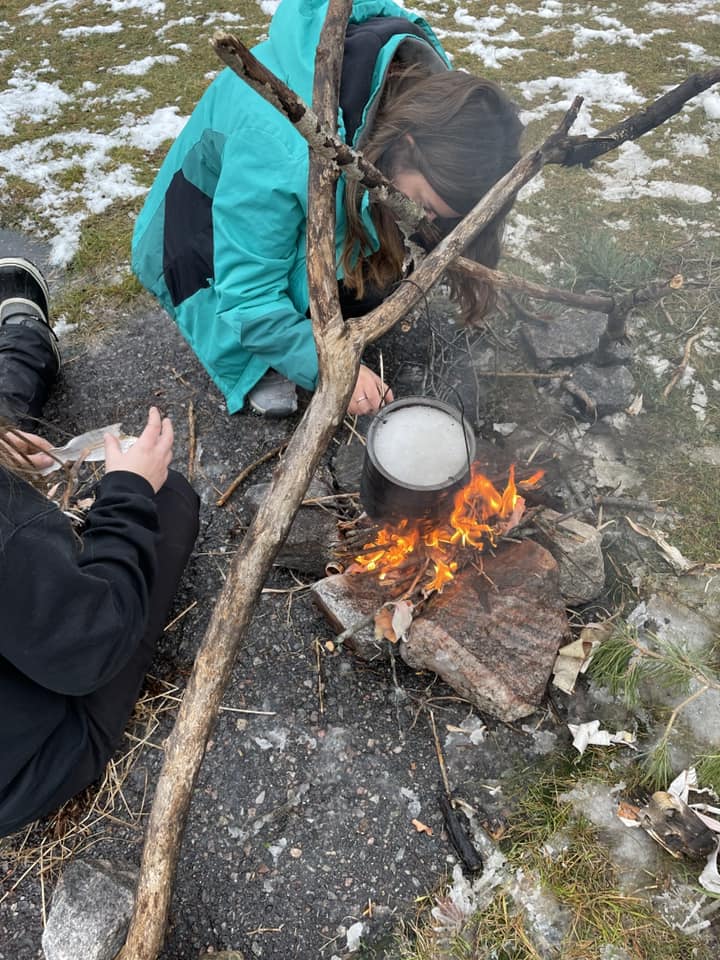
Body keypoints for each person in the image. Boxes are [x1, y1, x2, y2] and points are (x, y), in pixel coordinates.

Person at [132, 0, 523, 418]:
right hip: (196, 237)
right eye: (425, 206)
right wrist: (327, 366)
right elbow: (247, 295)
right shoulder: (282, 146)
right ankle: (255, 366)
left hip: (283, 197)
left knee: (364, 279)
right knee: (255, 316)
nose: (427, 221)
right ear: (405, 147)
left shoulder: (432, 101)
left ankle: (303, 321)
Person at [0, 256, 200, 837]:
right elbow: (94, 646)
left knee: (13, 438)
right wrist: (127, 493)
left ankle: (24, 345)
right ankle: (21, 345)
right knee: (172, 499)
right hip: (35, 759)